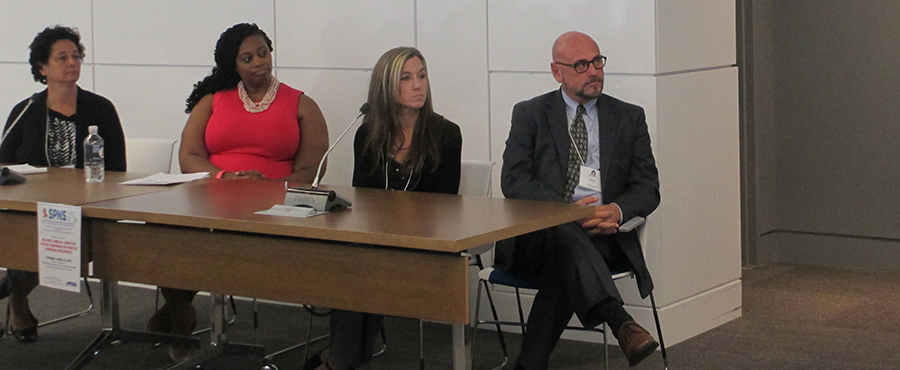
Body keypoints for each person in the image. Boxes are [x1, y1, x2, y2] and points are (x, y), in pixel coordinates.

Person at [150, 23, 328, 361]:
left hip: (273, 210)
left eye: (263, 53)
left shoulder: (301, 103)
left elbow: (312, 171)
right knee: (165, 233)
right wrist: (224, 176)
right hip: (211, 199)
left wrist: (269, 188)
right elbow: (189, 155)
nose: (259, 61)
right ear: (234, 65)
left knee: (210, 244)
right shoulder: (214, 100)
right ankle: (180, 314)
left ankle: (177, 311)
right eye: (248, 57)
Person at [496, 31, 661, 369]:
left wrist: (615, 211)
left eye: (597, 61)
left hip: (603, 236)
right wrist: (568, 213)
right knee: (563, 232)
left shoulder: (628, 117)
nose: (594, 71)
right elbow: (513, 180)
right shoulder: (530, 114)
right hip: (537, 238)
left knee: (566, 258)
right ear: (557, 72)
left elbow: (647, 187)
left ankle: (529, 364)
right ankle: (620, 321)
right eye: (582, 65)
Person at [303, 47, 461, 370]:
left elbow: (445, 205)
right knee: (355, 258)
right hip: (374, 243)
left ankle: (337, 361)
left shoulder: (446, 134)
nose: (418, 85)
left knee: (359, 264)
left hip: (422, 245)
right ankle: (342, 359)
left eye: (422, 76)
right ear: (386, 86)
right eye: (406, 78)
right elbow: (362, 200)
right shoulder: (367, 135)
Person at [0, 25, 126, 343]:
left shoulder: (100, 109)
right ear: (42, 68)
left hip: (87, 208)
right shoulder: (27, 110)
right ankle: (17, 296)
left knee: (50, 231)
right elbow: (3, 163)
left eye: (76, 56)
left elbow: (118, 169)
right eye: (62, 57)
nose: (72, 62)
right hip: (33, 207)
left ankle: (13, 291)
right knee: (30, 230)